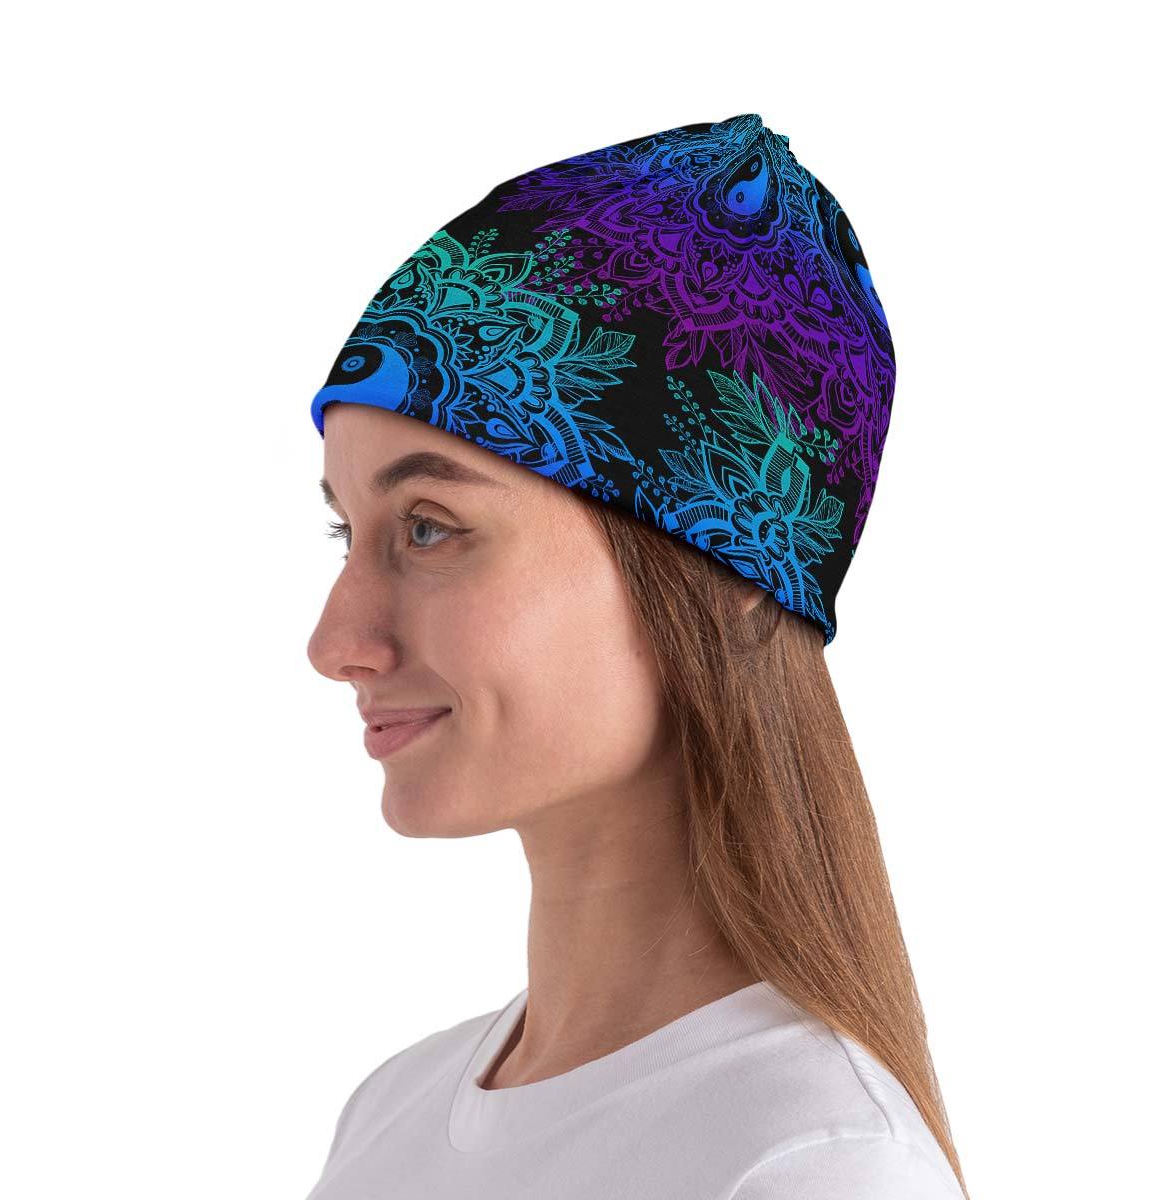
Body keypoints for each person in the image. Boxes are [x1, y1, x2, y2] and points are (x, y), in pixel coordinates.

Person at [303, 113, 968, 1199]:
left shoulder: (812, 1166)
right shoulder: (390, 1114)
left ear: (731, 571)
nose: (336, 644)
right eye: (345, 530)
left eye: (429, 527)